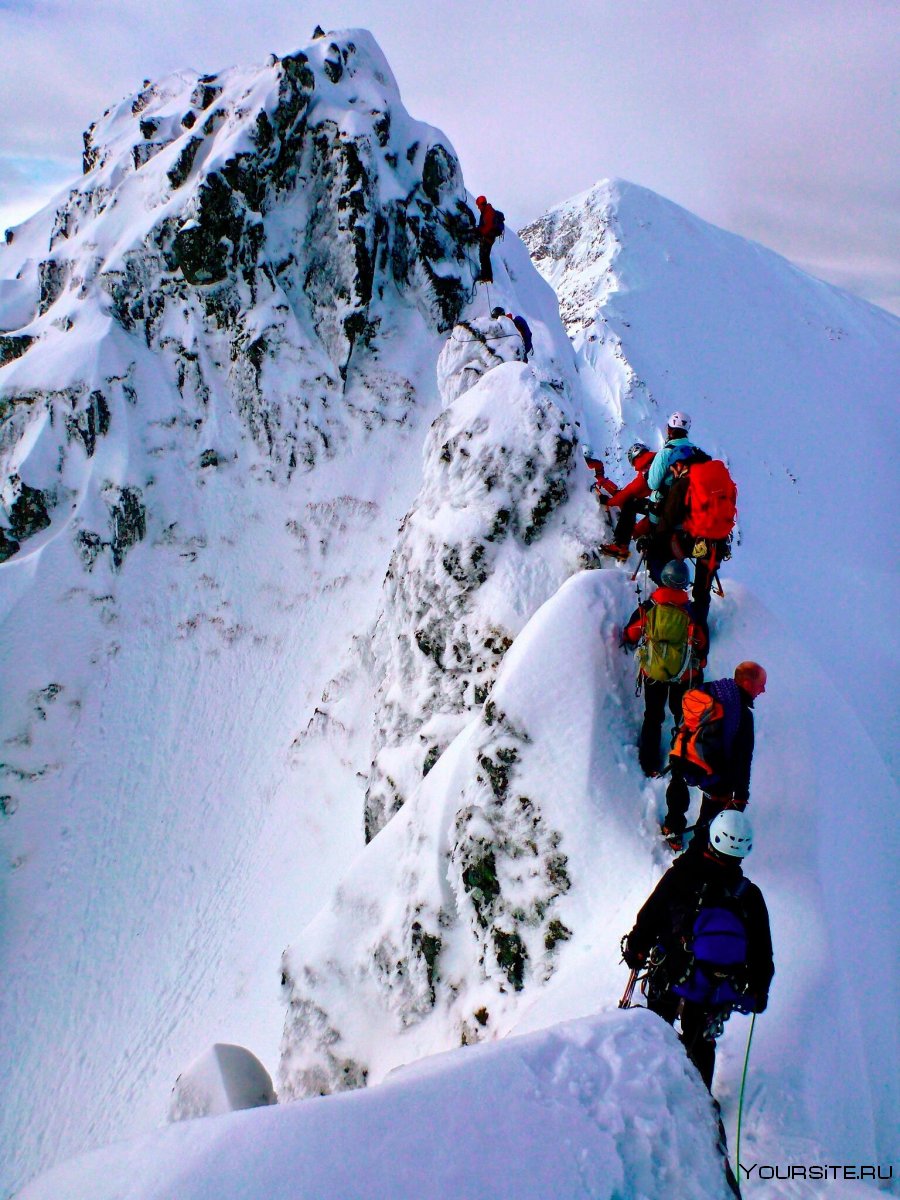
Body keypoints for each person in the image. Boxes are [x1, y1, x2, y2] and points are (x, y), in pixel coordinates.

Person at [622, 809, 773, 1091]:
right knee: (701, 1041)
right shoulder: (748, 895)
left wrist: (636, 949)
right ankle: (699, 1100)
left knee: (657, 1032)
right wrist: (758, 989)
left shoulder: (681, 875)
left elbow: (651, 915)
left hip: (671, 973)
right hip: (714, 988)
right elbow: (762, 950)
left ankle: (650, 1092)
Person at [662, 661, 767, 851]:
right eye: (761, 685)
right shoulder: (743, 716)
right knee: (713, 813)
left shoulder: (709, 689)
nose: (763, 690)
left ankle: (672, 827)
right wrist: (741, 795)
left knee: (678, 785)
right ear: (748, 684)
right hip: (714, 771)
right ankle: (699, 849)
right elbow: (743, 760)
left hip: (683, 752)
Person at [622, 559, 708, 777]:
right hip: (684, 674)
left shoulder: (650, 607)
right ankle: (678, 762)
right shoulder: (692, 612)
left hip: (654, 672)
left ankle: (648, 763)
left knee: (653, 716)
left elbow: (632, 632)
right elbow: (702, 645)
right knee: (681, 716)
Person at [599, 441, 656, 560]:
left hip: (663, 506)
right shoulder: (656, 463)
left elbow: (630, 492)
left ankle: (620, 546)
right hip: (672, 505)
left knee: (630, 503)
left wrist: (609, 502)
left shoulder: (646, 468)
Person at [474, 195, 504, 284]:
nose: (478, 208)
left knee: (484, 256)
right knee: (484, 256)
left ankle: (486, 277)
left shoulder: (488, 212)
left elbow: (488, 226)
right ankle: (486, 276)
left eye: (479, 205)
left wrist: (480, 232)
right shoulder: (487, 211)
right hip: (489, 237)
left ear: (481, 204)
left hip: (488, 237)